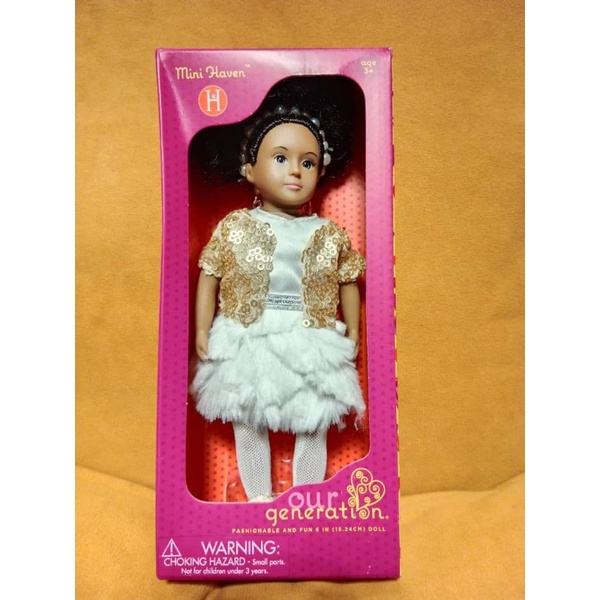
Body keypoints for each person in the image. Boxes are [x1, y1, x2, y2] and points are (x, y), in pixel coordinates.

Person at [189, 104, 365, 502]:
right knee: (249, 417)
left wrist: (353, 330)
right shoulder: (236, 225)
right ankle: (258, 501)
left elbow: (347, 281)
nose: (295, 171)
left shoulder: (328, 232)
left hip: (310, 335)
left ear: (321, 172)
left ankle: (305, 500)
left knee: (314, 418)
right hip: (249, 333)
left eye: (308, 162)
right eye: (281, 158)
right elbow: (210, 274)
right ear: (250, 170)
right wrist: (202, 329)